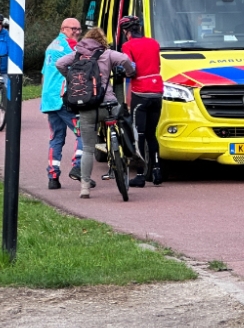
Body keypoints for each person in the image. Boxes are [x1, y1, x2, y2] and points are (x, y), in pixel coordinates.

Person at [55, 27, 135, 199]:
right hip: (108, 104)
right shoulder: (107, 53)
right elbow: (125, 59)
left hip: (86, 107)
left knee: (89, 149)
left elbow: (59, 63)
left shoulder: (77, 54)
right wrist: (130, 72)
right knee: (125, 120)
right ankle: (128, 150)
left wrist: (70, 77)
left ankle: (84, 187)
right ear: (101, 41)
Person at [120, 16, 164, 187]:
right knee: (152, 134)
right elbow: (157, 65)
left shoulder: (127, 45)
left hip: (141, 92)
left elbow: (131, 68)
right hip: (157, 91)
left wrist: (123, 73)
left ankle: (140, 174)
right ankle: (157, 170)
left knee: (139, 135)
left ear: (126, 32)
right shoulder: (154, 43)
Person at [41, 18, 84, 189]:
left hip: (49, 100)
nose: (77, 32)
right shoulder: (70, 45)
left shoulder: (51, 46)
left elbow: (45, 74)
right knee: (83, 132)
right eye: (74, 29)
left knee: (56, 138)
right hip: (63, 99)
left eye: (79, 29)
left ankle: (53, 176)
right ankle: (78, 166)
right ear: (63, 29)